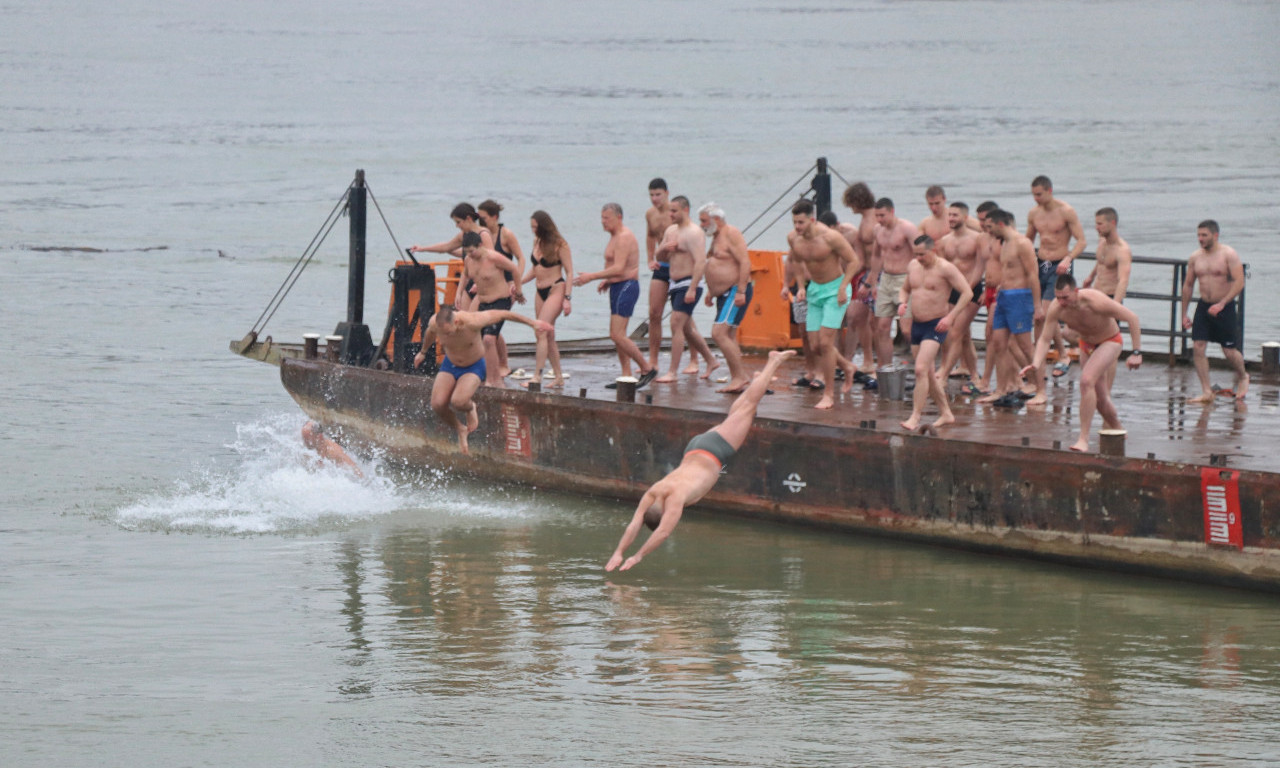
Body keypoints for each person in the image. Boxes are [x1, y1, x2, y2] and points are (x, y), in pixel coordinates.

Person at [605, 349, 796, 572]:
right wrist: (618, 552)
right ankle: (759, 381)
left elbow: (664, 532)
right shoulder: (653, 492)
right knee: (739, 410)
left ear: (665, 513)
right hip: (695, 448)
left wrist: (637, 556)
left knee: (748, 407)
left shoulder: (675, 499)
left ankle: (773, 361)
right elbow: (634, 523)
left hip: (714, 452)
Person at [1021, 274, 1143, 452]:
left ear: (1076, 292)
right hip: (1086, 345)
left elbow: (1132, 318)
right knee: (1100, 399)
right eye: (1058, 297)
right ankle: (1118, 428)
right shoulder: (1057, 308)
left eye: (1066, 297)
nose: (1062, 302)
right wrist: (1036, 363)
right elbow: (1045, 339)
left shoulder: (1095, 301)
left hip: (1110, 341)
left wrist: (1137, 352)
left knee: (1086, 381)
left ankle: (1083, 439)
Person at [413, 303, 551, 454]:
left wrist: (532, 323)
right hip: (450, 364)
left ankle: (471, 407)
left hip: (473, 366)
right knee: (437, 404)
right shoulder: (435, 323)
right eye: (443, 334)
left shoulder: (473, 321)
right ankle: (460, 429)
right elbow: (430, 333)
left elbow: (503, 313)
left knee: (458, 402)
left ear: (457, 323)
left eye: (448, 333)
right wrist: (423, 352)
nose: (445, 336)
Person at [786, 199, 862, 409]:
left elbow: (854, 261)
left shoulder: (831, 237)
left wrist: (843, 287)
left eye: (801, 222)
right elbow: (796, 262)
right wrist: (800, 286)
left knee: (826, 343)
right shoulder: (794, 238)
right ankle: (847, 366)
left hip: (835, 288)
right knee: (816, 345)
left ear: (811, 219)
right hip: (814, 291)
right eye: (794, 222)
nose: (797, 227)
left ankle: (829, 394)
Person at [574, 203, 656, 386]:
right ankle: (626, 375)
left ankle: (647, 368)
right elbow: (616, 267)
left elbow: (619, 268)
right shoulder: (614, 236)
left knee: (617, 335)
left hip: (627, 286)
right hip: (617, 286)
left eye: (607, 218)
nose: (603, 222)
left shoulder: (624, 237)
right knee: (618, 334)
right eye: (602, 218)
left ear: (618, 217)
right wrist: (607, 280)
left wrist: (591, 277)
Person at [898, 235, 972, 431]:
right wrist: (902, 302)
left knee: (921, 369)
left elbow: (967, 293)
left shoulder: (945, 268)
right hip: (917, 325)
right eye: (916, 255)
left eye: (922, 254)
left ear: (933, 250)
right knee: (928, 374)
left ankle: (915, 416)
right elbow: (905, 289)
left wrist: (950, 318)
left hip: (936, 325)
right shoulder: (913, 266)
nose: (919, 258)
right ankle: (946, 413)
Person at [978, 209, 1046, 407]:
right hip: (1004, 296)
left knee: (1026, 346)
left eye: (990, 227)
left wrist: (1037, 306)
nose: (988, 231)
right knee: (999, 343)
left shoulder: (1022, 243)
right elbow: (1009, 270)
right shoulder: (1004, 243)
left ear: (1001, 224)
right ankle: (1000, 389)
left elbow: (1033, 275)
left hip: (1020, 297)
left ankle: (1041, 390)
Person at [1180, 219, 1249, 402]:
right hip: (1204, 305)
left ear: (1215, 235)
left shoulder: (1228, 254)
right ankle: (1206, 391)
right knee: (1198, 346)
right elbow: (1188, 285)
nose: (1200, 239)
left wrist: (1223, 303)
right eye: (1198, 235)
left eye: (1204, 235)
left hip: (1224, 306)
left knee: (1229, 350)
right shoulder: (1195, 257)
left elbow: (1239, 282)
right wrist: (1184, 314)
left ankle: (1243, 376)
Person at [652, 195, 719, 382]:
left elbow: (700, 262)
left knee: (675, 324)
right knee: (687, 327)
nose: (670, 214)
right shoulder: (671, 230)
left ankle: (672, 372)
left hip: (689, 282)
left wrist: (692, 288)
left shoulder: (694, 232)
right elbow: (661, 258)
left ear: (685, 210)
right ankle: (711, 360)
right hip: (674, 283)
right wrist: (665, 247)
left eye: (674, 211)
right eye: (669, 211)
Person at [1025, 176, 1087, 377]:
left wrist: (1068, 259)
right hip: (1041, 263)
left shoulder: (1066, 211)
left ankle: (1055, 356)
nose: (1036, 199)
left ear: (1049, 191)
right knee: (1040, 317)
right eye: (1033, 194)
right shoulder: (1034, 213)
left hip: (1060, 265)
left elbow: (1081, 241)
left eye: (1039, 194)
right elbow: (1028, 240)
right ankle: (1049, 359)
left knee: (1043, 312)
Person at [699, 202, 754, 393]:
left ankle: (740, 376)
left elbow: (745, 262)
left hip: (734, 291)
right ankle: (737, 378)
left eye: (704, 221)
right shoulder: (716, 237)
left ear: (716, 219)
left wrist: (740, 291)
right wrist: (710, 291)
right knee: (729, 335)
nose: (701, 225)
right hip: (722, 293)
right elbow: (717, 264)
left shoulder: (731, 233)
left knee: (718, 333)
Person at [934, 201, 988, 394]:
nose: (951, 219)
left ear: (965, 218)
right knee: (963, 336)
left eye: (955, 215)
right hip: (952, 291)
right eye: (949, 215)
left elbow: (982, 266)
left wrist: (972, 289)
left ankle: (944, 373)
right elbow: (942, 268)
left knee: (955, 333)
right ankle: (973, 374)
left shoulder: (977, 239)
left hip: (971, 290)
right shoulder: (944, 241)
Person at [456, 231, 520, 388]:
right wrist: (459, 293)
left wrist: (518, 291)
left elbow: (514, 269)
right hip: (483, 303)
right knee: (479, 337)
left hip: (500, 301)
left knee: (489, 339)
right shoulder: (469, 260)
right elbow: (465, 275)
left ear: (480, 245)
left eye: (472, 251)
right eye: (467, 252)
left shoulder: (493, 257)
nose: (470, 255)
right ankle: (488, 375)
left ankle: (494, 380)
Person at [521, 210, 575, 389]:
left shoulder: (560, 245)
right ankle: (558, 376)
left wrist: (567, 298)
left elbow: (569, 272)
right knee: (548, 334)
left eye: (536, 227)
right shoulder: (537, 242)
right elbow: (535, 269)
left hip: (556, 289)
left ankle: (537, 376)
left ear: (544, 226)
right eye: (531, 227)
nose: (533, 231)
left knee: (541, 331)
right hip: (539, 291)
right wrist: (518, 282)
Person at [869, 197, 919, 374]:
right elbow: (876, 256)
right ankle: (885, 368)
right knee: (881, 327)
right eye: (877, 216)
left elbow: (922, 254)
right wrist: (873, 282)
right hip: (886, 279)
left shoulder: (907, 228)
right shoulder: (878, 230)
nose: (879, 220)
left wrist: (916, 281)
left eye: (882, 215)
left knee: (906, 329)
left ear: (892, 211)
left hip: (904, 279)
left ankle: (922, 365)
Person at [478, 199, 526, 376]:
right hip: (489, 287)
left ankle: (503, 364)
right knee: (488, 326)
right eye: (478, 218)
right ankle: (492, 364)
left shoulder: (506, 235)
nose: (481, 222)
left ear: (495, 217)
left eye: (483, 218)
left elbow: (521, 258)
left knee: (495, 326)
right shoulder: (482, 235)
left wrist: (516, 281)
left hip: (506, 286)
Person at [840, 183, 880, 384]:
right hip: (865, 272)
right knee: (856, 317)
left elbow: (878, 253)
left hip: (876, 275)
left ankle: (877, 363)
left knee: (875, 321)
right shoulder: (864, 220)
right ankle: (867, 360)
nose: (850, 208)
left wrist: (872, 280)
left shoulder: (874, 219)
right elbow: (861, 257)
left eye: (851, 203)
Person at [644, 178, 672, 371]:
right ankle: (653, 360)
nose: (655, 199)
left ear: (666, 193)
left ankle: (695, 358)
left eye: (658, 195)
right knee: (654, 313)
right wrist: (649, 258)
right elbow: (650, 235)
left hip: (679, 267)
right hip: (660, 266)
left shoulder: (675, 211)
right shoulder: (650, 214)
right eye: (652, 195)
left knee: (683, 318)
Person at [1082, 207, 1132, 302]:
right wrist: (1090, 277)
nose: (1097, 228)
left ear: (1112, 223)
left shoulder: (1122, 250)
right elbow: (1102, 261)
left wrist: (1115, 306)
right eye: (1096, 224)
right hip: (1096, 293)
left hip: (1110, 297)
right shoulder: (1102, 241)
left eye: (1100, 224)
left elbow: (1123, 281)